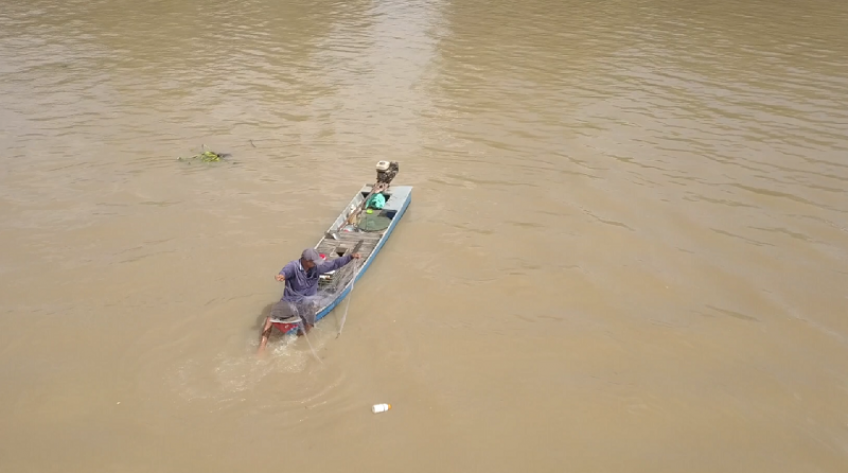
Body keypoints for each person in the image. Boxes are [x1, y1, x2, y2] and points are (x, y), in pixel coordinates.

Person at [271, 247, 360, 334]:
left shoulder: (317, 267)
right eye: (314, 262)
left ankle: (303, 333)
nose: (316, 264)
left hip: (309, 300)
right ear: (306, 261)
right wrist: (281, 276)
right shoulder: (294, 266)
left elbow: (335, 264)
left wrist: (350, 257)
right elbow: (285, 271)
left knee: (328, 299)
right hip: (292, 300)